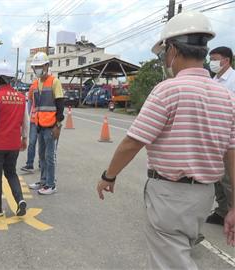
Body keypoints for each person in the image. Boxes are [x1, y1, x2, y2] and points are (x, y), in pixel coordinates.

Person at [96, 11, 235, 269]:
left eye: (163, 54)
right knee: (173, 255)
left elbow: (133, 142)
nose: (163, 60)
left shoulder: (168, 90)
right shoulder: (226, 97)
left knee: (170, 263)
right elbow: (232, 154)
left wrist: (109, 175)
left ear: (172, 50)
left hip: (171, 195)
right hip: (204, 196)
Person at [0, 62, 29, 217]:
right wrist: (24, 138)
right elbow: (26, 121)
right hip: (14, 145)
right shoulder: (21, 97)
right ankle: (20, 200)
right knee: (11, 174)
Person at [27, 52, 65, 195]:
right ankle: (43, 181)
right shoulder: (36, 84)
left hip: (51, 127)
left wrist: (57, 126)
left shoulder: (54, 82)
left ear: (47, 66)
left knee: (50, 157)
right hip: (40, 126)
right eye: (35, 67)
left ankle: (51, 184)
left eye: (39, 66)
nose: (37, 69)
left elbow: (60, 105)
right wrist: (35, 125)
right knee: (41, 155)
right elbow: (36, 107)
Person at [206, 46, 235, 225]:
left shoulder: (233, 79)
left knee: (228, 179)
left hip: (229, 136)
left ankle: (232, 212)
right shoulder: (214, 80)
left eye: (215, 58)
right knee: (216, 177)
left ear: (226, 60)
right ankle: (222, 211)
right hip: (213, 135)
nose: (212, 63)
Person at [20, 90, 39, 172]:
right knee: (32, 143)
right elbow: (29, 103)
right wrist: (26, 117)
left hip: (45, 121)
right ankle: (29, 164)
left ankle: (42, 164)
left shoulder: (52, 83)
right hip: (34, 120)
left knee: (43, 145)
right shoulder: (33, 86)